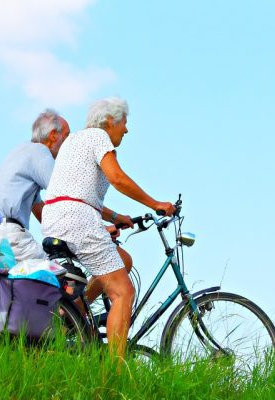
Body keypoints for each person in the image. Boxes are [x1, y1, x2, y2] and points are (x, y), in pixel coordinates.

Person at [41, 97, 175, 359]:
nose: (126, 129)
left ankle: (74, 314)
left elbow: (77, 191)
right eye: (124, 123)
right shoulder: (98, 137)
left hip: (57, 216)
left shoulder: (75, 141)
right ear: (110, 121)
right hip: (76, 219)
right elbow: (117, 178)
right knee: (123, 291)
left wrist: (115, 216)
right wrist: (155, 203)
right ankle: (113, 374)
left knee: (122, 260)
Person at [0, 109, 70, 261]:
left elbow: (41, 211)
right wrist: (96, 229)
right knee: (58, 277)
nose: (69, 143)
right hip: (9, 235)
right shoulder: (40, 151)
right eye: (67, 136)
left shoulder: (21, 151)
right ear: (54, 135)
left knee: (13, 283)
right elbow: (66, 193)